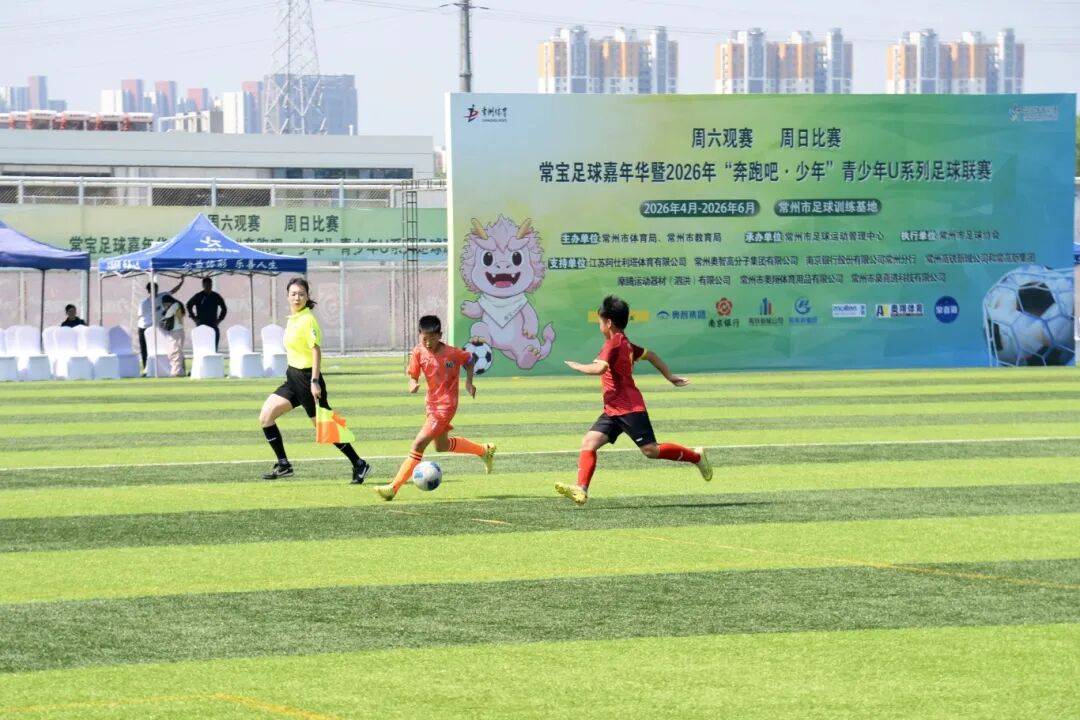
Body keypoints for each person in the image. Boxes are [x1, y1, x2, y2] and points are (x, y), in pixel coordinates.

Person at [555, 295, 712, 506]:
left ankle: (696, 457)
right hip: (613, 409)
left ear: (608, 322)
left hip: (629, 408)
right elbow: (651, 355)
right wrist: (669, 376)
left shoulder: (613, 344)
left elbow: (599, 368)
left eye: (600, 321)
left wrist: (578, 366)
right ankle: (581, 489)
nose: (599, 325)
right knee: (589, 442)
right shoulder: (624, 342)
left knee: (651, 450)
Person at [258, 277, 370, 484]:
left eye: (301, 294)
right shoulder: (293, 318)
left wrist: (315, 381)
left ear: (307, 296)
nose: (297, 298)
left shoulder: (308, 319)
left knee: (324, 427)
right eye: (293, 294)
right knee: (266, 416)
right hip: (292, 377)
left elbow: (315, 350)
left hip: (308, 378)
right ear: (287, 296)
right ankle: (284, 464)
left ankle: (359, 463)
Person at [373, 315, 496, 501]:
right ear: (419, 335)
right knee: (441, 446)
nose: (428, 342)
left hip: (446, 406)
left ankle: (393, 488)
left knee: (418, 444)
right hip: (431, 404)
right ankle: (484, 450)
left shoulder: (452, 353)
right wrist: (412, 384)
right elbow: (413, 376)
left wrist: (469, 383)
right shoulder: (418, 352)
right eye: (425, 338)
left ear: (440, 335)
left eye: (432, 338)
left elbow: (469, 360)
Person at [138, 278, 184, 374]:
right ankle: (146, 369)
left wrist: (181, 283)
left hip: (160, 328)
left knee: (168, 347)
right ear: (148, 291)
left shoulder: (163, 296)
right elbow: (141, 316)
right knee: (146, 350)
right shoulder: (144, 303)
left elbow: (173, 291)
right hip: (145, 327)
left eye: (156, 289)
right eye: (152, 289)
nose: (154, 291)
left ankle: (171, 368)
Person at [186, 277, 227, 351]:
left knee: (214, 345)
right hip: (201, 323)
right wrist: (194, 318)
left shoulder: (216, 296)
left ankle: (213, 354)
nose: (208, 287)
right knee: (201, 345)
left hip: (213, 323)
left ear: (212, 285)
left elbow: (224, 308)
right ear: (203, 285)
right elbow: (189, 305)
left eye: (210, 285)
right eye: (206, 285)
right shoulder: (199, 296)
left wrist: (220, 319)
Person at [160, 295, 186, 377]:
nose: (164, 306)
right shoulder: (176, 305)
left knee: (175, 352)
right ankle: (180, 371)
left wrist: (165, 310)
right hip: (176, 331)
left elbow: (167, 315)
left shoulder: (175, 305)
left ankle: (176, 372)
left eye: (165, 304)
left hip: (177, 331)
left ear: (168, 302)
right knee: (175, 352)